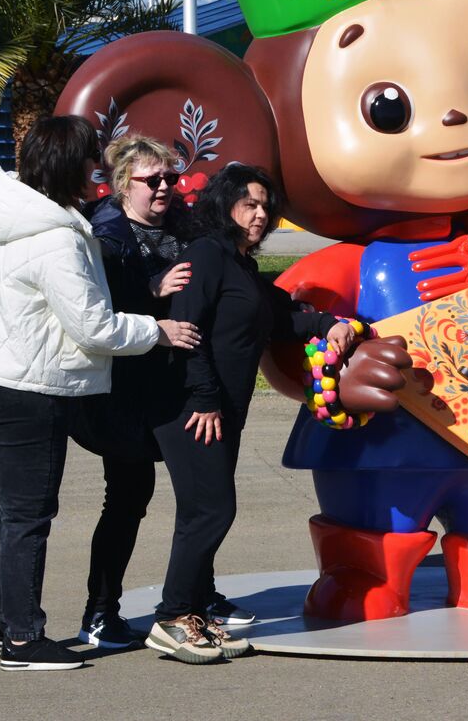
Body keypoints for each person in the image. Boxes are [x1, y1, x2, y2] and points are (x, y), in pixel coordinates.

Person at [0, 115, 200, 672]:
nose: (97, 174)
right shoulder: (58, 236)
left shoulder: (5, 209)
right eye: (91, 162)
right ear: (70, 165)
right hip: (26, 389)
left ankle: (2, 619)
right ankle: (23, 639)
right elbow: (94, 327)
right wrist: (159, 329)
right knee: (28, 515)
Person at [147, 164, 357, 664]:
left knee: (201, 511)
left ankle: (194, 611)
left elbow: (279, 317)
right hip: (193, 408)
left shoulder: (238, 264)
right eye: (249, 204)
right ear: (225, 206)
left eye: (266, 206)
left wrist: (332, 323)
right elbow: (185, 329)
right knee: (212, 510)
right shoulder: (207, 255)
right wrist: (203, 399)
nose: (260, 214)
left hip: (222, 407)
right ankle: (173, 617)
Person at [72, 135, 194, 649]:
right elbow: (94, 310)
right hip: (124, 395)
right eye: (152, 180)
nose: (165, 187)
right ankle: (100, 613)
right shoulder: (106, 235)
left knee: (201, 496)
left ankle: (196, 598)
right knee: (127, 498)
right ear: (124, 185)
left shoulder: (182, 225)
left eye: (169, 177)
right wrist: (152, 292)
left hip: (177, 385)